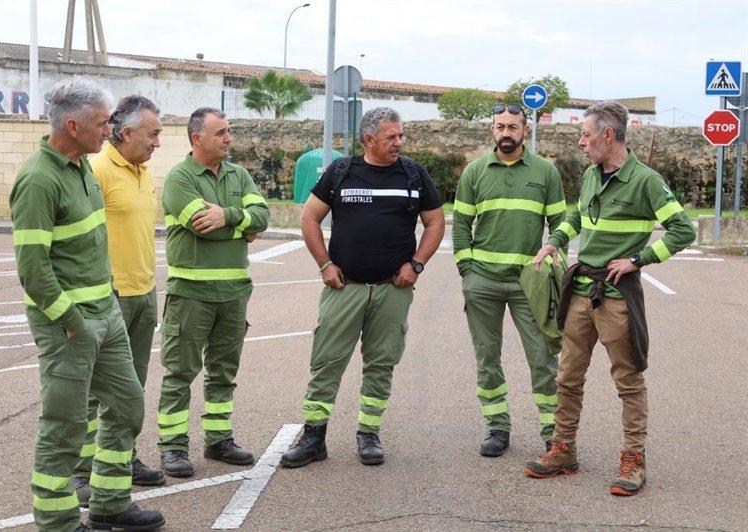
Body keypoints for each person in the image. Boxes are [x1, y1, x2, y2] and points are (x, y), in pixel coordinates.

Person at [10, 78, 165, 531]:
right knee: (65, 424)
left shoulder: (81, 167)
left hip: (107, 313)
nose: (109, 130)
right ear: (73, 125)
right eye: (102, 123)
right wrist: (71, 321)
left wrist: (106, 311)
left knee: (127, 406)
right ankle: (56, 521)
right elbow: (33, 268)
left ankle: (109, 502)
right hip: (69, 325)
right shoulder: (38, 179)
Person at [525, 101, 695, 496]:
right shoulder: (589, 175)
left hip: (617, 294)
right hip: (581, 289)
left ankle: (634, 459)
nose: (581, 143)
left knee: (628, 380)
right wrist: (555, 242)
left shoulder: (647, 180)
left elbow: (683, 230)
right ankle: (563, 449)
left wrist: (640, 259)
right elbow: (575, 218)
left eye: (585, 135)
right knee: (567, 376)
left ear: (608, 135)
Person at [280, 107, 445, 468]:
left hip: (392, 289)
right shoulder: (341, 172)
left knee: (381, 364)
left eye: (401, 135)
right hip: (345, 288)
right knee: (326, 363)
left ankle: (368, 434)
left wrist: (416, 264)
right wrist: (324, 264)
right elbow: (309, 218)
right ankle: (314, 437)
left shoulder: (414, 174)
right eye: (392, 137)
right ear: (369, 139)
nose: (399, 142)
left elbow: (435, 223)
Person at [156, 107, 269, 478]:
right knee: (180, 372)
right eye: (220, 132)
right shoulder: (179, 178)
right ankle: (173, 447)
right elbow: (201, 225)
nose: (228, 138)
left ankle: (218, 440)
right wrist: (241, 224)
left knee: (223, 371)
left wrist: (228, 216)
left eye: (229, 131)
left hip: (234, 293)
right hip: (191, 294)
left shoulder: (240, 175)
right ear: (197, 138)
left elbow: (263, 217)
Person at [453, 103, 567, 457]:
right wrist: (467, 272)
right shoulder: (474, 172)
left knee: (543, 358)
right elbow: (459, 225)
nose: (506, 132)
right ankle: (497, 428)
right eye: (500, 126)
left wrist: (551, 259)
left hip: (528, 285)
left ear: (525, 130)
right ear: (492, 131)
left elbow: (561, 225)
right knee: (487, 358)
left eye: (513, 127)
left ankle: (553, 432)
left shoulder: (545, 172)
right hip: (482, 283)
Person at [68, 95, 166, 506]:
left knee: (131, 388)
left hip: (143, 294)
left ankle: (121, 460)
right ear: (125, 133)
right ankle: (83, 472)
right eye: (153, 134)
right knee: (93, 391)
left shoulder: (142, 171)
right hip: (109, 297)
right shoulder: (97, 170)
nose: (158, 142)